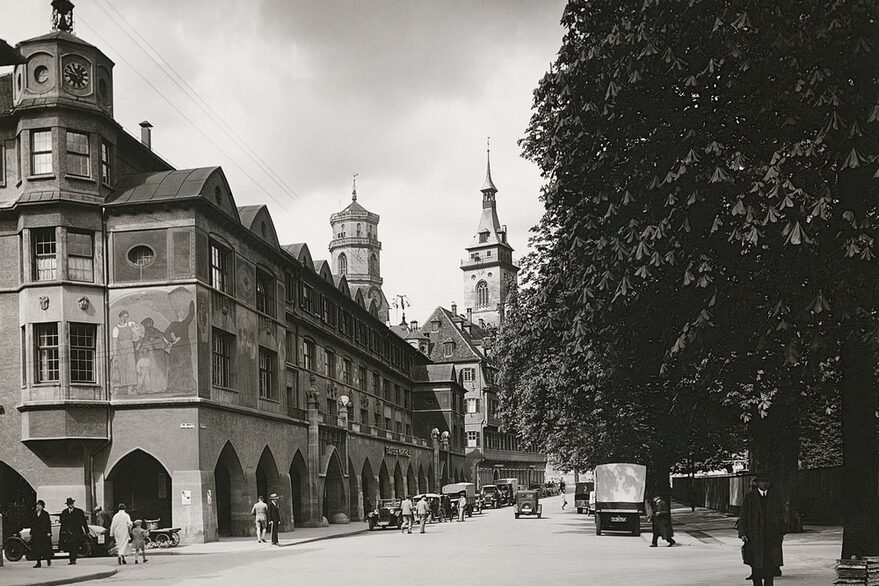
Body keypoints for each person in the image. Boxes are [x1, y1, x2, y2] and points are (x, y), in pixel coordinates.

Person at [739, 471, 785, 586]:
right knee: (756, 565)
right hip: (755, 535)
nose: (764, 484)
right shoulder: (750, 497)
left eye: (766, 482)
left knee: (769, 564)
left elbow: (781, 514)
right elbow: (743, 515)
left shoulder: (775, 496)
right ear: (758, 483)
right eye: (762, 482)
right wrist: (742, 532)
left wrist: (781, 530)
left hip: (771, 535)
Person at [59, 497, 89, 564]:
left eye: (72, 503)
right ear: (67, 505)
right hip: (68, 532)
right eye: (69, 504)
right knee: (70, 546)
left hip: (77, 532)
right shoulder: (64, 512)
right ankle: (71, 559)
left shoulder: (79, 511)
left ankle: (73, 559)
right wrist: (62, 532)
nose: (71, 505)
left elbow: (84, 522)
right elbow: (63, 523)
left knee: (75, 546)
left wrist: (86, 530)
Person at [30, 499, 52, 568]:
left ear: (42, 506)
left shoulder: (45, 514)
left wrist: (49, 532)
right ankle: (38, 562)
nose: (38, 506)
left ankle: (48, 559)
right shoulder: (34, 514)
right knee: (37, 549)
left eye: (39, 505)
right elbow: (32, 524)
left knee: (45, 548)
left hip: (43, 534)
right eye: (37, 505)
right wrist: (31, 533)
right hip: (36, 534)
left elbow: (48, 524)